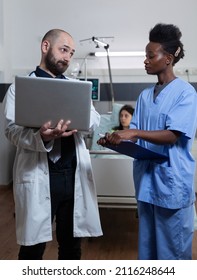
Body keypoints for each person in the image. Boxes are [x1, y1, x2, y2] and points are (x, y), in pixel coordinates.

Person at [98, 23, 197, 260]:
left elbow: (173, 135)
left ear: (168, 58)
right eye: (145, 56)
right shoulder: (144, 96)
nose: (145, 60)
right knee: (148, 252)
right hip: (146, 184)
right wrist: (114, 140)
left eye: (150, 56)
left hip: (171, 184)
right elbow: (136, 140)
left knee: (172, 255)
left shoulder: (186, 93)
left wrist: (133, 134)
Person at [3, 28, 102, 260]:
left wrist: (79, 120)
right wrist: (43, 136)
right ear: (45, 47)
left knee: (71, 246)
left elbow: (95, 119)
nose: (67, 57)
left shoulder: (77, 88)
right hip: (39, 175)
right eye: (63, 50)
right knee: (33, 247)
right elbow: (11, 131)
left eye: (71, 52)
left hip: (72, 174)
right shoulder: (21, 87)